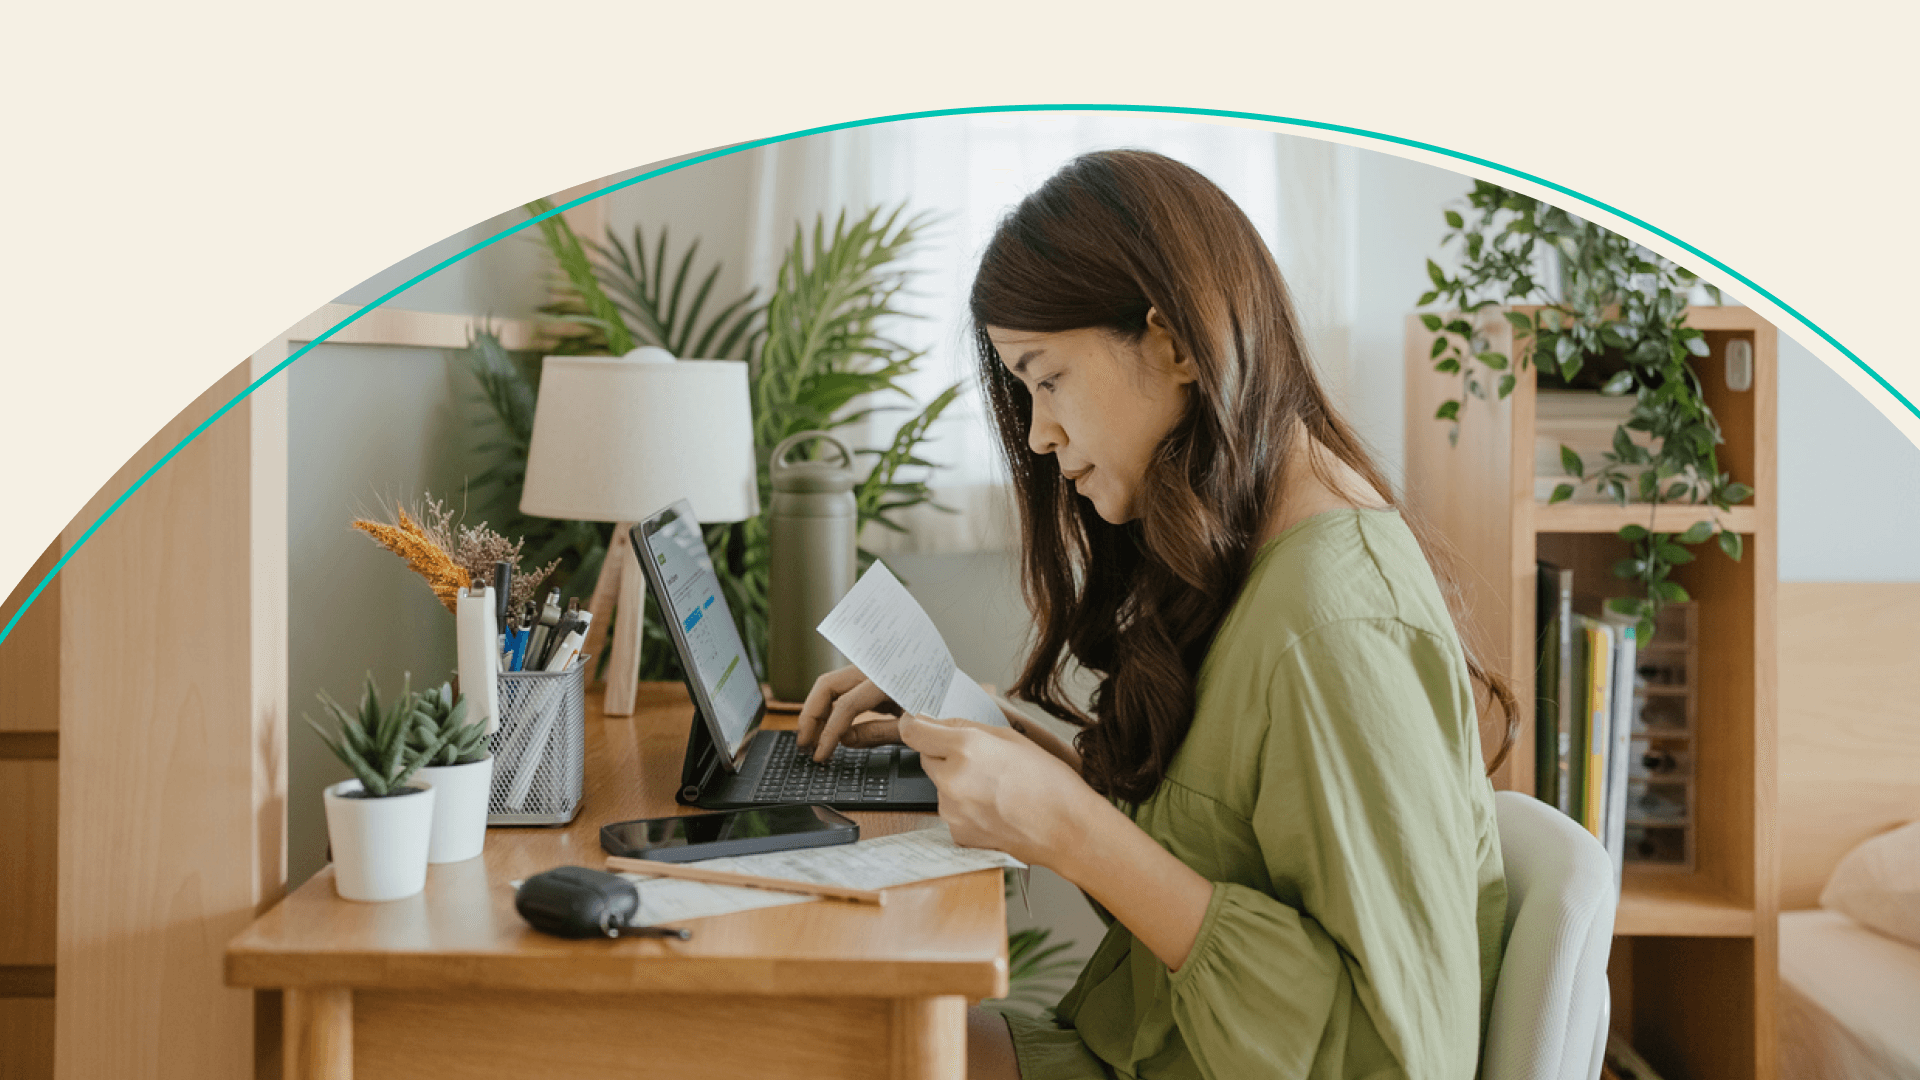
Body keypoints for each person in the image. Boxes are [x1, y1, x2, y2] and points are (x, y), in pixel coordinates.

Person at [797, 148, 1513, 1080]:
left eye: (1045, 379)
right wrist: (1022, 750)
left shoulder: (1338, 625)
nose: (1038, 435)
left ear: (1174, 343)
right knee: (823, 1040)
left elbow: (1401, 1056)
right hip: (1134, 1049)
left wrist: (1073, 831)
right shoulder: (1256, 552)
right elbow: (1216, 866)